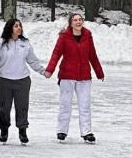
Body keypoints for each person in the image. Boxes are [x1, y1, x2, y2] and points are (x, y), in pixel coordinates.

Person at [44, 13, 104, 143]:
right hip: (67, 76)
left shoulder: (88, 36)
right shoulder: (64, 36)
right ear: (70, 23)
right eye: (75, 20)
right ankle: (61, 131)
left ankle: (86, 132)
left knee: (85, 105)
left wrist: (99, 72)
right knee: (65, 105)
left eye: (80, 20)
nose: (78, 22)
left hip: (84, 76)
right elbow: (56, 53)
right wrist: (49, 70)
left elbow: (92, 55)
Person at [0, 18, 46, 144]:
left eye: (20, 26)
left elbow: (32, 60)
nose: (19, 28)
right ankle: (4, 130)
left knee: (22, 107)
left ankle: (22, 131)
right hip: (4, 80)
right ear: (10, 28)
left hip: (22, 81)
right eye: (16, 26)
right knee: (3, 107)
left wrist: (43, 71)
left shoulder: (25, 43)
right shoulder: (2, 43)